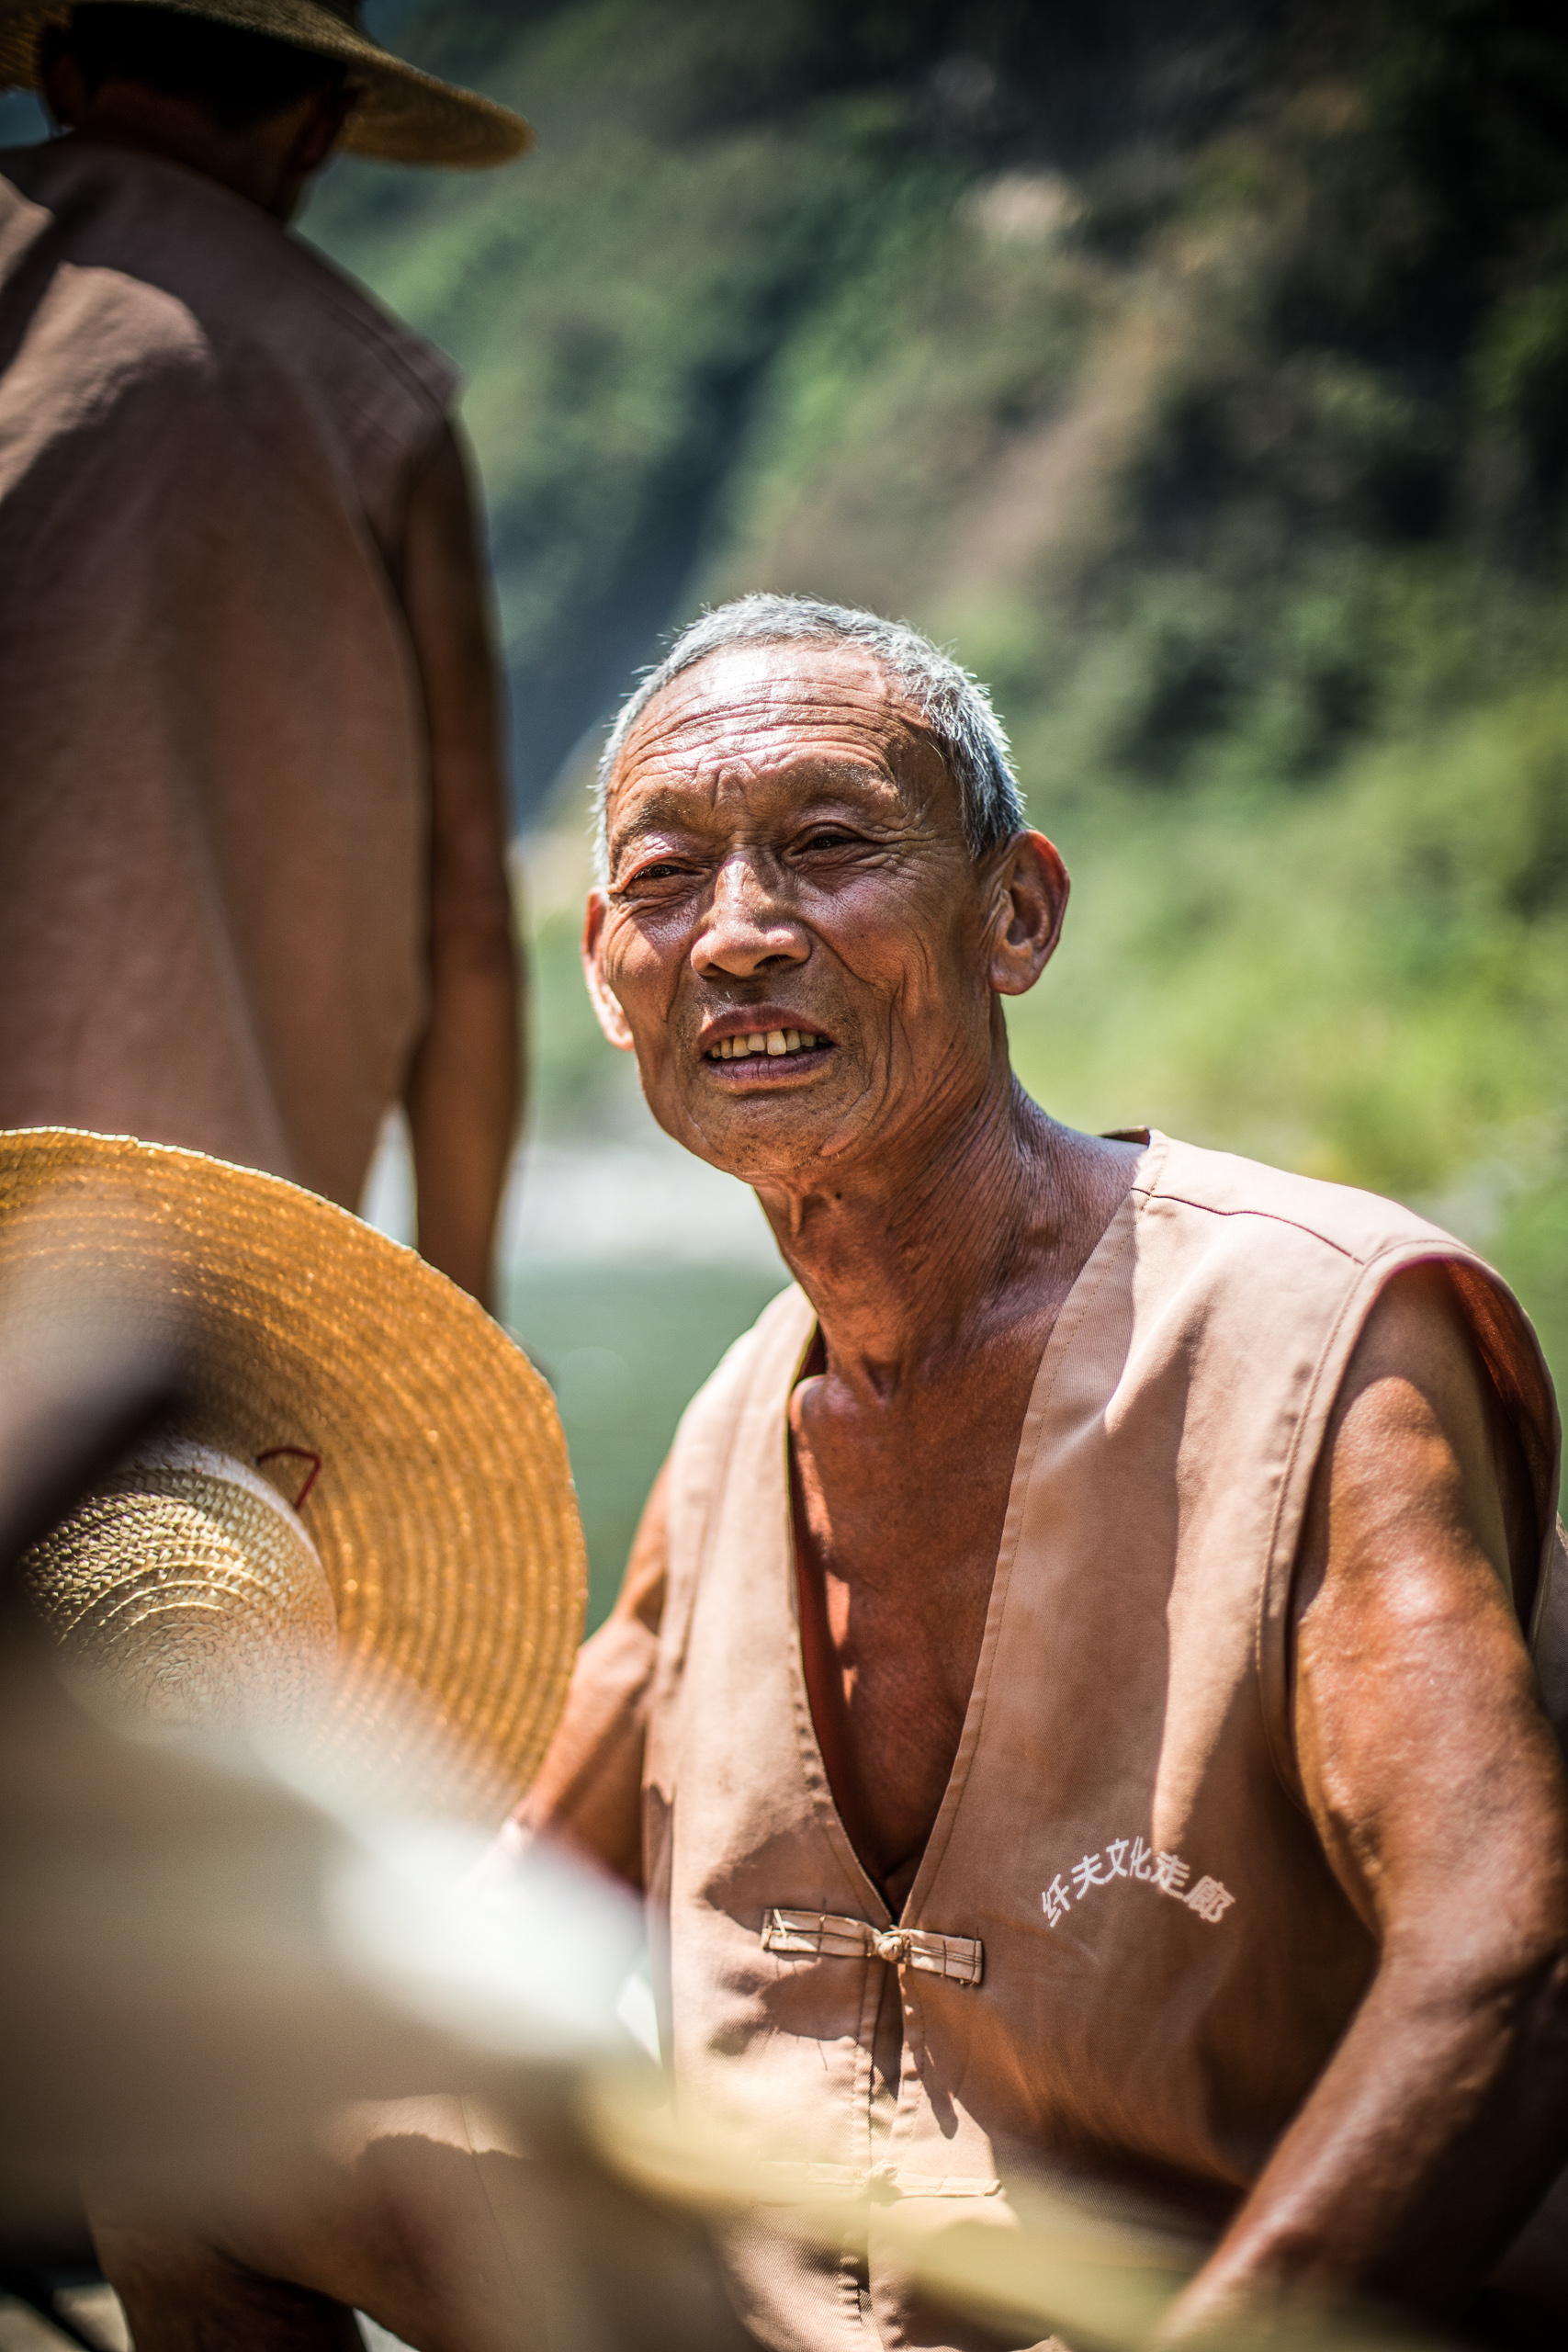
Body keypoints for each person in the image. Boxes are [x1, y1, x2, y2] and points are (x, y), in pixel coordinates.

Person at [92, 595, 1568, 2349]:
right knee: (194, 2148)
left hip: (1211, 2312)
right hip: (767, 2313)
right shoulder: (737, 1427)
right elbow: (482, 1923)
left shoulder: (1312, 1336)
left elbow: (1509, 1962)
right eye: (664, 879)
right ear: (603, 971)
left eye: (828, 848)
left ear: (1015, 917)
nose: (735, 937)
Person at [0, 2, 530, 1306]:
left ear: (65, 71)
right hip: (190, 1308)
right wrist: (459, 1322)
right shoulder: (378, 406)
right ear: (320, 124)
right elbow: (465, 907)